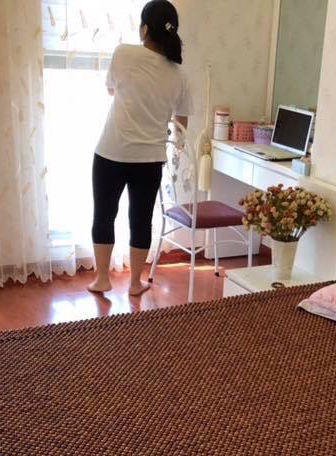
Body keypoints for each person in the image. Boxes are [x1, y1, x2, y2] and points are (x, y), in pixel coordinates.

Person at [89, 0, 191, 295]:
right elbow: (181, 125)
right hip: (149, 158)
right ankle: (135, 283)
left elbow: (112, 89)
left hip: (111, 152)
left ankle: (102, 279)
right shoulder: (180, 75)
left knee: (104, 214)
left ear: (144, 29)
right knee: (141, 220)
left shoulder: (124, 53)